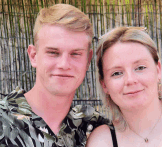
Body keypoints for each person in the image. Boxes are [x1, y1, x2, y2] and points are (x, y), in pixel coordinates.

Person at [0, 4, 109, 147]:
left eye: (75, 54)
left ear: (88, 60)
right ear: (33, 56)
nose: (64, 64)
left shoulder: (93, 127)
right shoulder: (4, 120)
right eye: (53, 52)